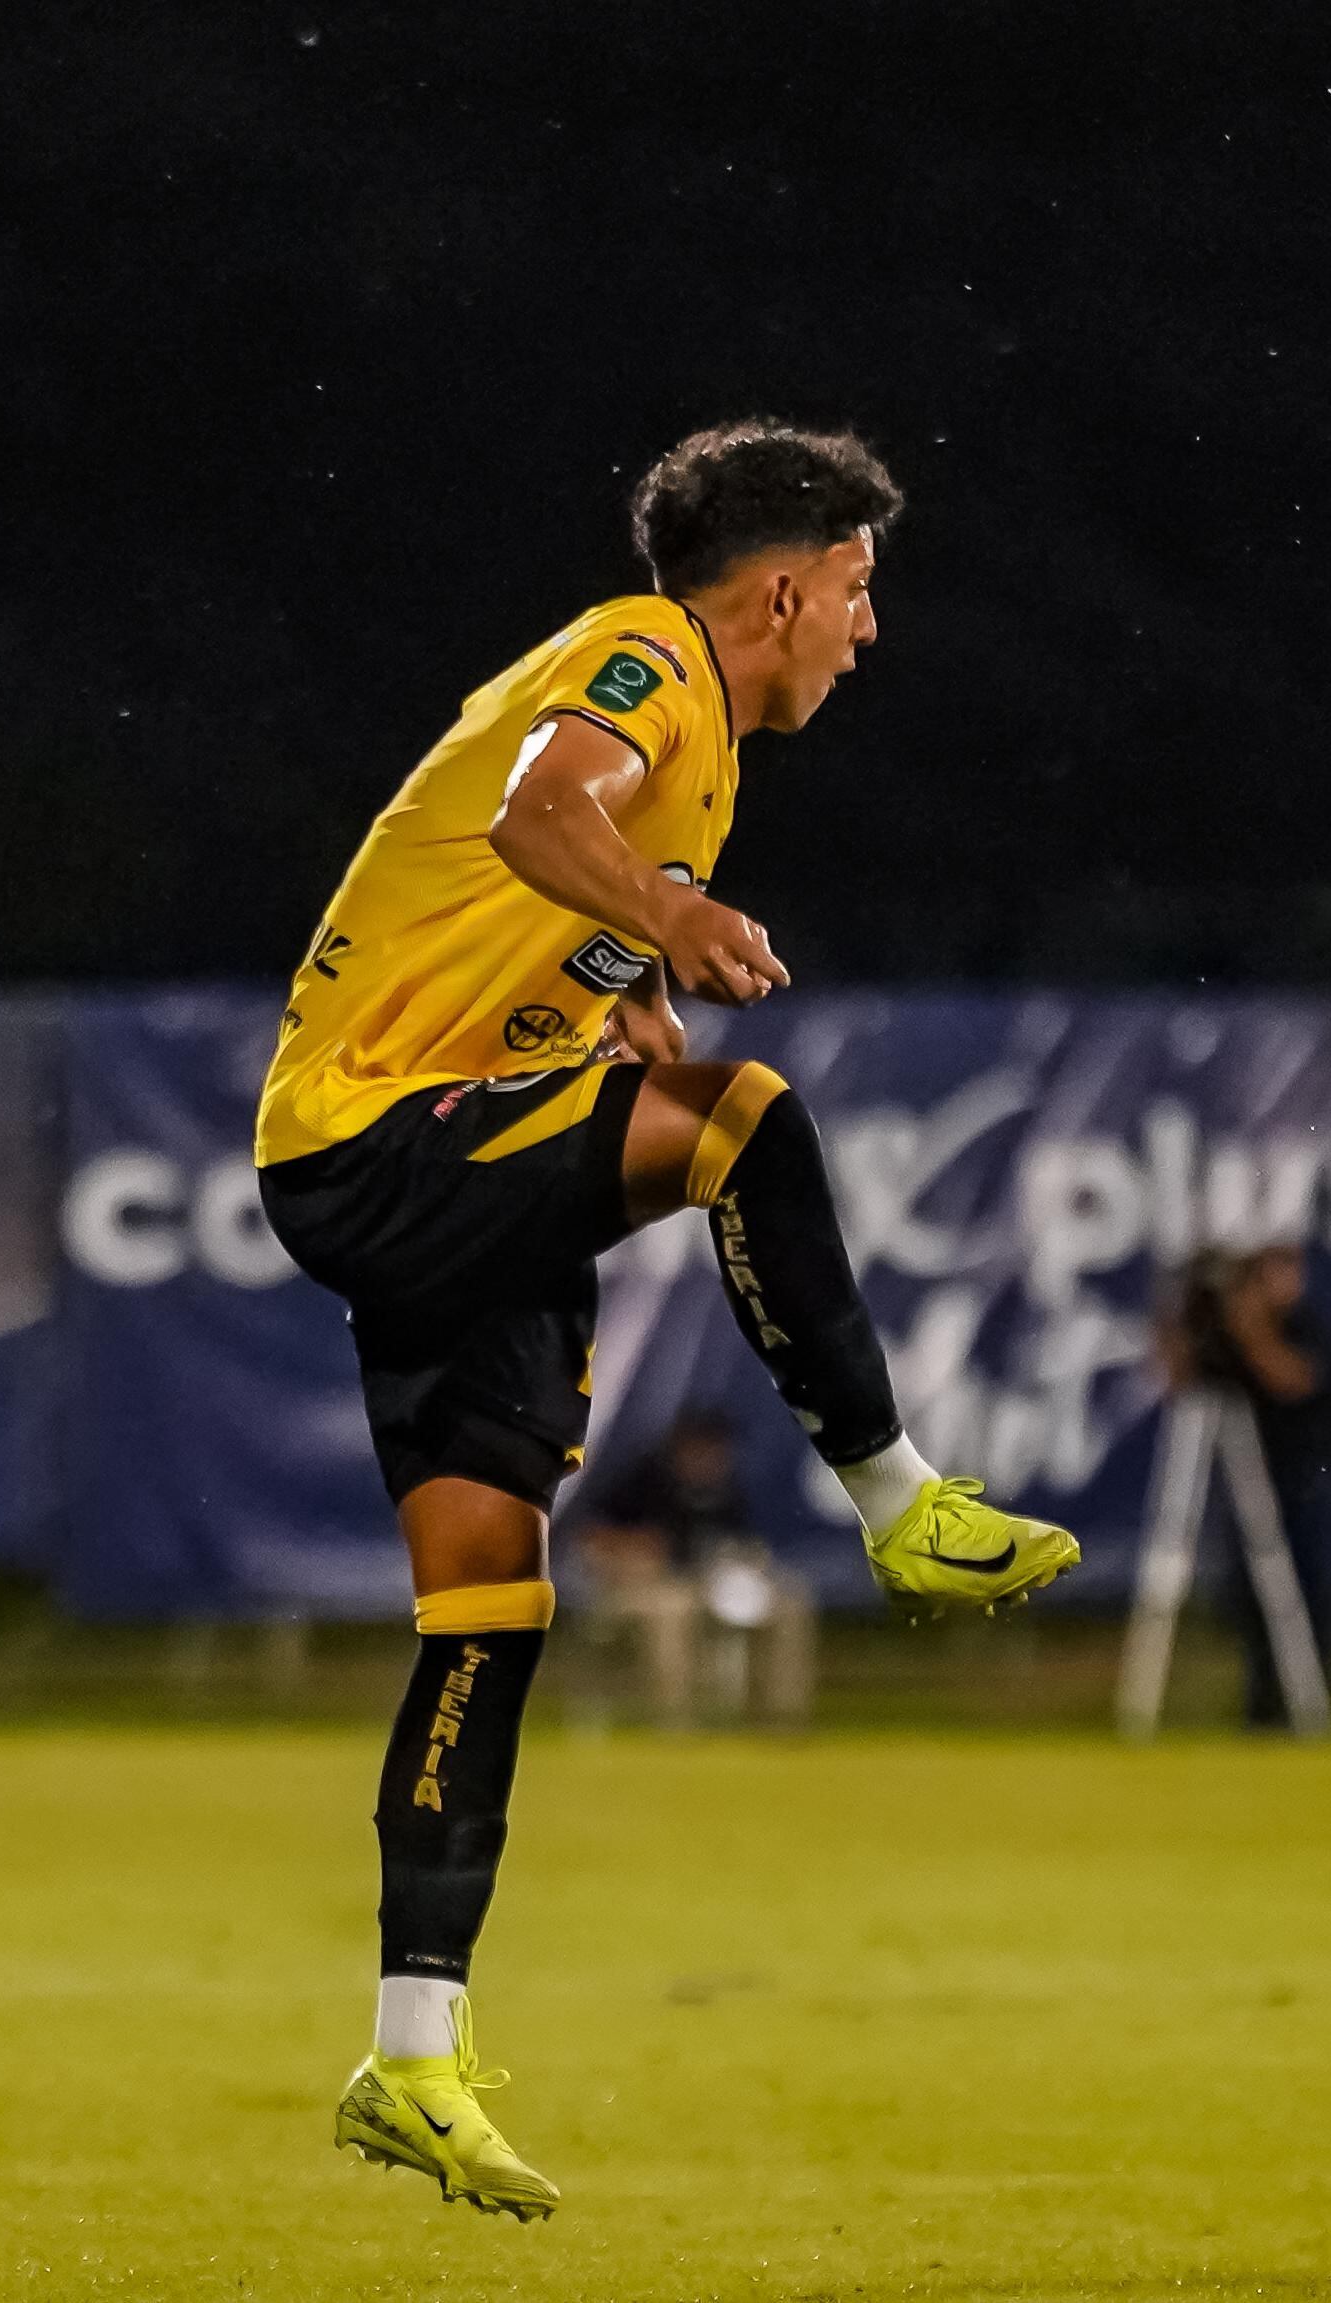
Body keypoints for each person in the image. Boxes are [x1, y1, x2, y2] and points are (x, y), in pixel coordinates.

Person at [255, 419, 1077, 2218]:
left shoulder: (699, 749)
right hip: (387, 1133)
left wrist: (617, 985)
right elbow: (542, 809)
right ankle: (901, 1501)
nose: (866, 630)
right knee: (746, 1123)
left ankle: (410, 2053)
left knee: (486, 1605)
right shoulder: (650, 660)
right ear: (777, 589)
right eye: (856, 591)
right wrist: (671, 914)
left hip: (444, 1147)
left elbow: (521, 890)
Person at [1163, 1244, 1331, 1728]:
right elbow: (1182, 1379)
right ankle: (1262, 1711)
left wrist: (1251, 1330)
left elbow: (1296, 1380)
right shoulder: (1230, 1337)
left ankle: (1313, 1705)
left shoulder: (1309, 1326)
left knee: (1303, 1599)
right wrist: (1180, 1322)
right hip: (1251, 1486)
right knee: (1249, 1602)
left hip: (1303, 1483)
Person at [571, 1407, 816, 1730]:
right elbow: (589, 1537)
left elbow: (742, 1546)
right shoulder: (644, 1478)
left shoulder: (726, 1489)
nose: (713, 1454)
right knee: (673, 1608)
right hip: (639, 1588)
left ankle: (781, 1720)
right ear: (682, 1446)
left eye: (719, 1446)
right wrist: (632, 1550)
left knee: (790, 1603)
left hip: (709, 1583)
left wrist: (748, 1567)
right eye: (704, 1445)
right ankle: (677, 1720)